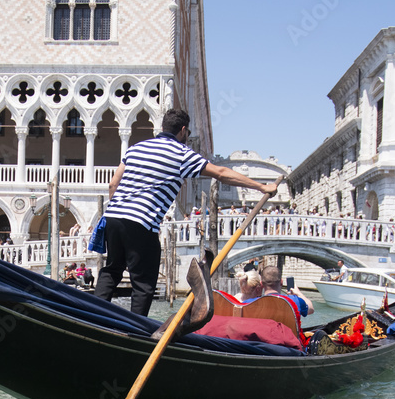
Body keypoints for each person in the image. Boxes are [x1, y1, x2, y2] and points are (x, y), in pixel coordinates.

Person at [93, 108, 277, 316]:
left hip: (113, 216)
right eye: (187, 135)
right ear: (183, 131)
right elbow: (221, 173)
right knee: (144, 283)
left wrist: (121, 211)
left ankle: (94, 316)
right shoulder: (181, 154)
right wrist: (263, 187)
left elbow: (113, 184)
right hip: (142, 222)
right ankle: (136, 330)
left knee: (112, 270)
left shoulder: (136, 148)